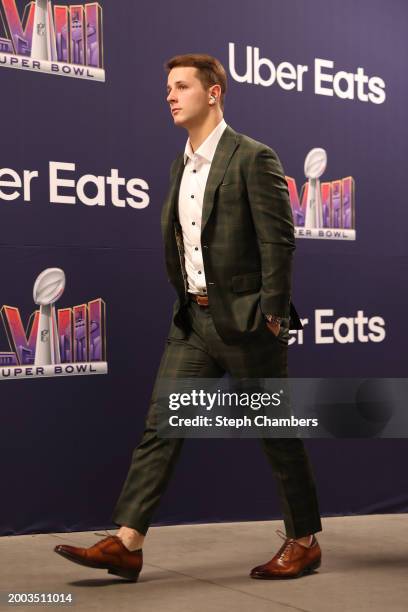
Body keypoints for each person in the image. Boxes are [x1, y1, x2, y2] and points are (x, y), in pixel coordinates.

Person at [54, 53, 322, 582]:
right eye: (168, 88)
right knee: (162, 424)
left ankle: (305, 540)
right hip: (193, 323)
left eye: (181, 86)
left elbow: (278, 241)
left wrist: (272, 315)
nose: (170, 96)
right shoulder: (181, 163)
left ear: (214, 92)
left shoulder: (253, 157)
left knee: (276, 433)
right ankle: (128, 543)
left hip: (248, 324)